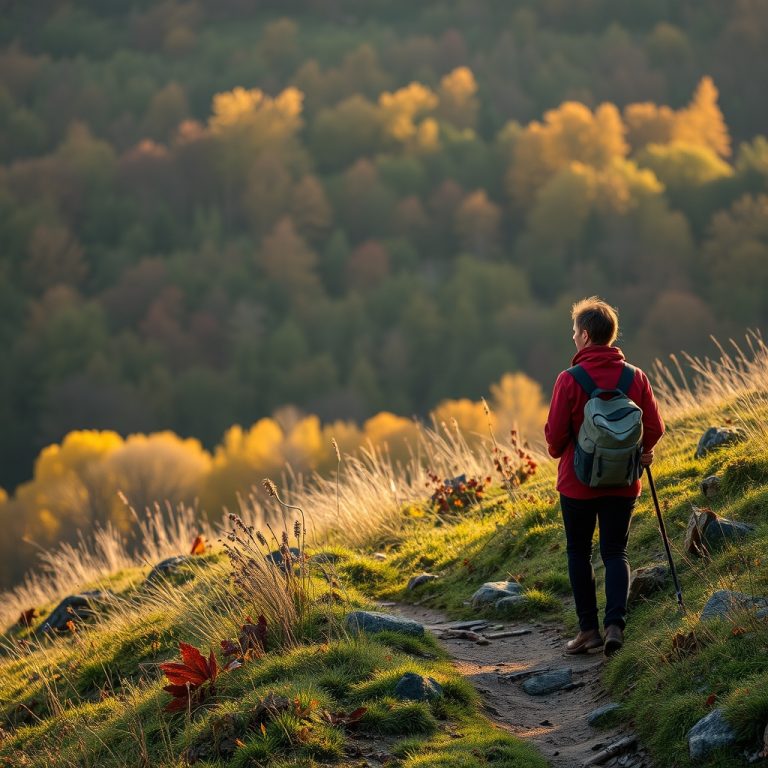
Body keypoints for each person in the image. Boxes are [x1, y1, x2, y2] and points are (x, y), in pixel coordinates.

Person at [544, 297, 664, 656]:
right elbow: (655, 427)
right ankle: (615, 626)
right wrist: (643, 452)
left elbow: (554, 442)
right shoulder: (635, 376)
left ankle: (587, 632)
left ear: (583, 336)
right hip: (623, 482)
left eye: (574, 333)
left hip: (578, 485)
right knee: (616, 551)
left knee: (578, 552)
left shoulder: (569, 380)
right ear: (610, 336)